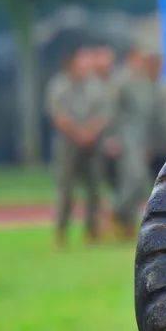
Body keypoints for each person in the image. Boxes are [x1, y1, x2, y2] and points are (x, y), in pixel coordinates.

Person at [45, 46, 113, 245]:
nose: (87, 65)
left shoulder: (96, 86)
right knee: (65, 189)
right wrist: (78, 133)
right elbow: (57, 115)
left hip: (93, 144)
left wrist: (91, 132)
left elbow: (104, 114)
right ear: (71, 62)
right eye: (83, 61)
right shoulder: (58, 85)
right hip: (67, 145)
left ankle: (92, 232)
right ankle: (61, 232)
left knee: (94, 188)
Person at [111, 41, 163, 238]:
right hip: (126, 136)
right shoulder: (121, 81)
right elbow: (113, 112)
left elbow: (150, 116)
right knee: (134, 177)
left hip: (142, 137)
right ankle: (118, 212)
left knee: (140, 180)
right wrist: (112, 138)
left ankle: (125, 220)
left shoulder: (147, 82)